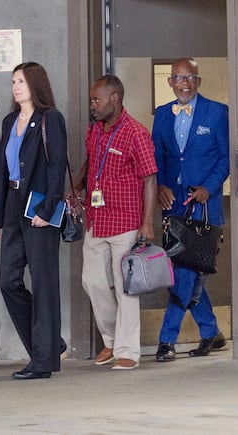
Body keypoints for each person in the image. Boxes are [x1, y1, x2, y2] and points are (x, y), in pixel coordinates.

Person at [0, 62, 67, 380]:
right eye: (13, 82)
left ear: (35, 84)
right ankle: (48, 344)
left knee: (44, 282)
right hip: (12, 205)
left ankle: (43, 360)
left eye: (21, 81)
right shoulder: (9, 121)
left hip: (39, 208)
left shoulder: (50, 119)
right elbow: (0, 170)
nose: (16, 87)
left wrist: (46, 210)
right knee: (9, 281)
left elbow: (56, 166)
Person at [76, 75, 157, 370]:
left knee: (126, 287)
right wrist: (77, 185)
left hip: (126, 220)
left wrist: (147, 223)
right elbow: (90, 160)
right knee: (92, 281)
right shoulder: (94, 130)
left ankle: (127, 350)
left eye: (97, 99)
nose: (92, 105)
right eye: (91, 100)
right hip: (96, 218)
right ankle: (110, 340)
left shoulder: (136, 132)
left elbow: (150, 178)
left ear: (115, 98)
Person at [152, 57, 229, 362]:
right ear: (170, 82)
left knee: (184, 271)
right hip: (172, 201)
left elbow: (225, 158)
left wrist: (208, 188)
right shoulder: (161, 115)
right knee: (188, 270)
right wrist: (159, 186)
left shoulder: (217, 112)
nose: (184, 83)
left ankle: (166, 339)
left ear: (198, 82)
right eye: (178, 78)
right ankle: (210, 332)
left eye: (190, 78)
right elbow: (156, 155)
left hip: (203, 203)